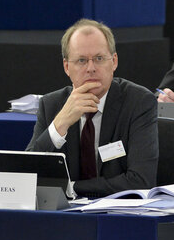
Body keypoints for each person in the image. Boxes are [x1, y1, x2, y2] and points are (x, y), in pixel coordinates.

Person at [26, 18, 158, 198]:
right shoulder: (52, 105)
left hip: (120, 215)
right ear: (66, 67)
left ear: (114, 62)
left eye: (99, 59)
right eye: (81, 60)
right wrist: (59, 126)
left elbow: (141, 181)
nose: (91, 68)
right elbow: (26, 176)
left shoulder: (138, 102)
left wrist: (72, 188)